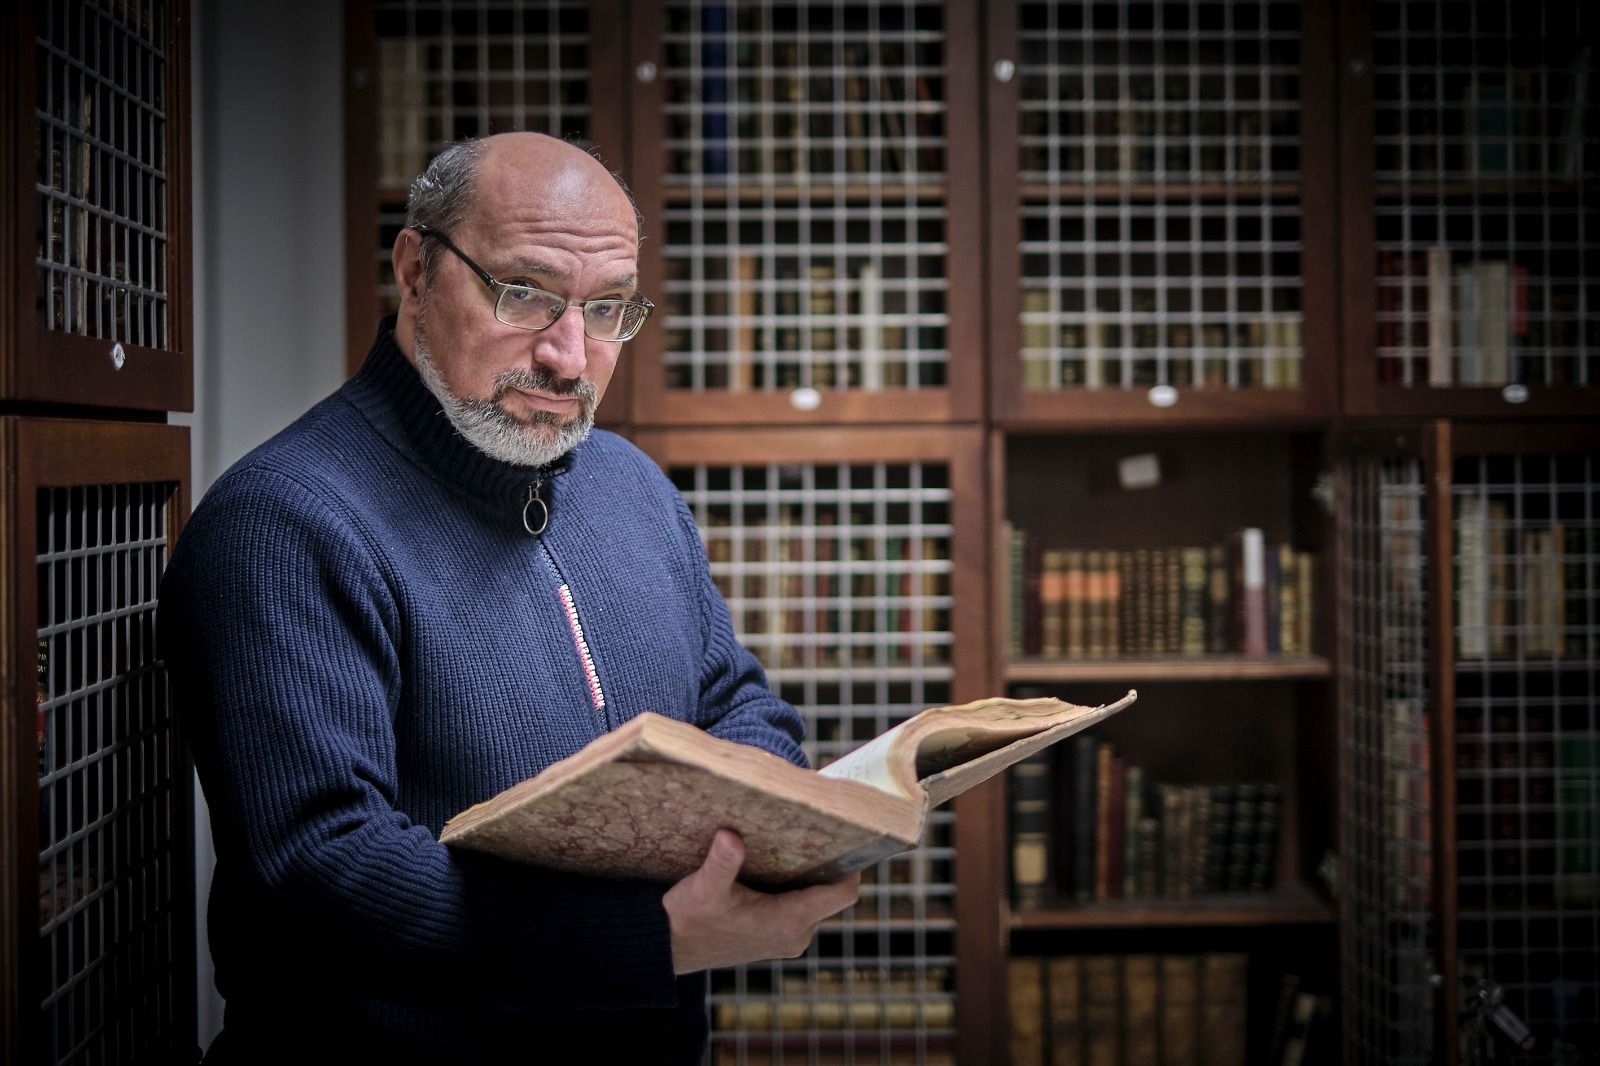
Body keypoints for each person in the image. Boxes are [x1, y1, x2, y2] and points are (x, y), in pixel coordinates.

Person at [159, 132, 859, 1064]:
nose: (571, 358)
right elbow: (324, 863)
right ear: (415, 271)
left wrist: (764, 836)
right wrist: (651, 940)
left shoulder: (632, 485)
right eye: (524, 293)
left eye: (608, 308)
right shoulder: (284, 521)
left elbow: (735, 700)